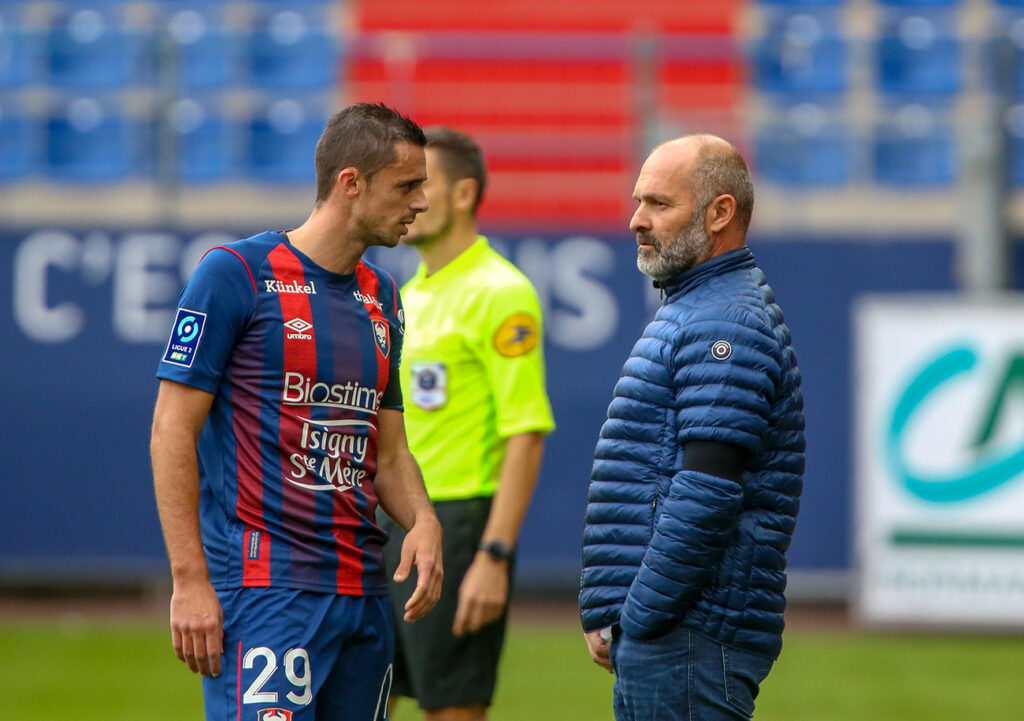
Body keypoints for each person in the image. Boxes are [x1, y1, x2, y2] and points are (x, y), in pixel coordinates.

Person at [150, 102, 444, 721]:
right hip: (266, 592)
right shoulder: (235, 274)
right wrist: (189, 580)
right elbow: (172, 429)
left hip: (363, 594)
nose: (421, 201)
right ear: (351, 183)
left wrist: (421, 519)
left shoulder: (383, 295)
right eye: (408, 185)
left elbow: (387, 449)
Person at [579, 134, 805, 721]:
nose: (636, 220)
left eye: (658, 204)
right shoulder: (697, 309)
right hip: (674, 636)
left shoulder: (725, 322)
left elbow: (706, 491)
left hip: (688, 636)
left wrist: (639, 616)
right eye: (638, 202)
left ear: (720, 212)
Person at [380, 126, 555, 721]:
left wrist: (493, 555)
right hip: (394, 520)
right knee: (366, 699)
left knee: (451, 708)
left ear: (463, 195)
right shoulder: (408, 294)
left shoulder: (502, 293)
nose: (412, 199)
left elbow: (525, 433)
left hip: (458, 524)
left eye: (422, 184)